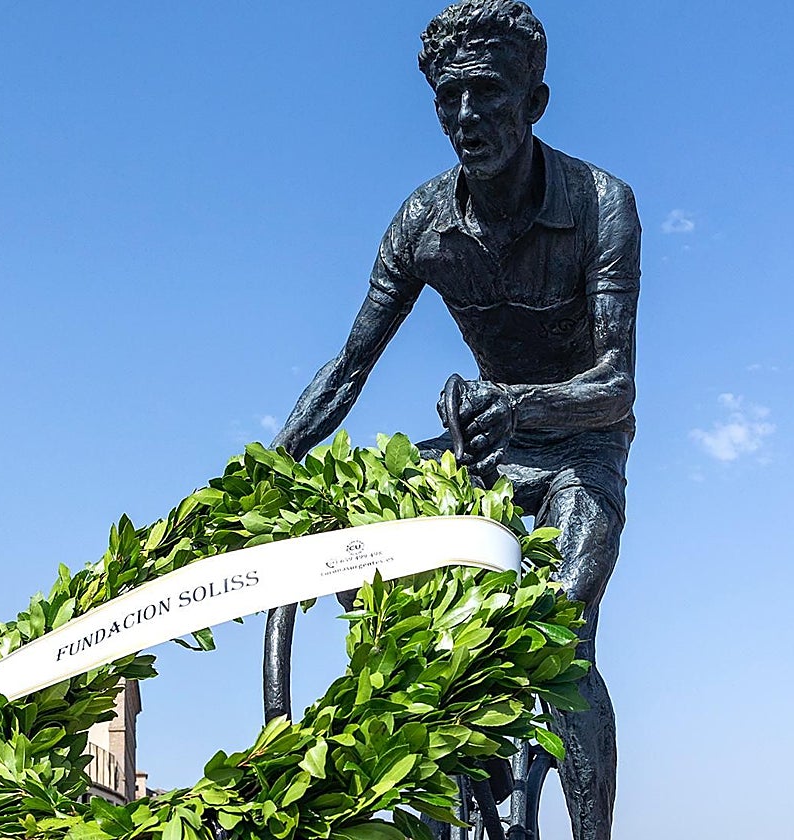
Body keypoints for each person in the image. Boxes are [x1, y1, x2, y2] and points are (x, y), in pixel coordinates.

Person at [268, 3, 640, 838]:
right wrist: (269, 471)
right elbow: (347, 367)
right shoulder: (422, 222)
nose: (467, 117)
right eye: (448, 100)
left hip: (581, 441)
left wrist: (517, 402)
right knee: (405, 607)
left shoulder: (599, 205)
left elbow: (615, 384)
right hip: (485, 448)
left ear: (534, 100)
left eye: (487, 93)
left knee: (561, 635)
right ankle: (439, 791)